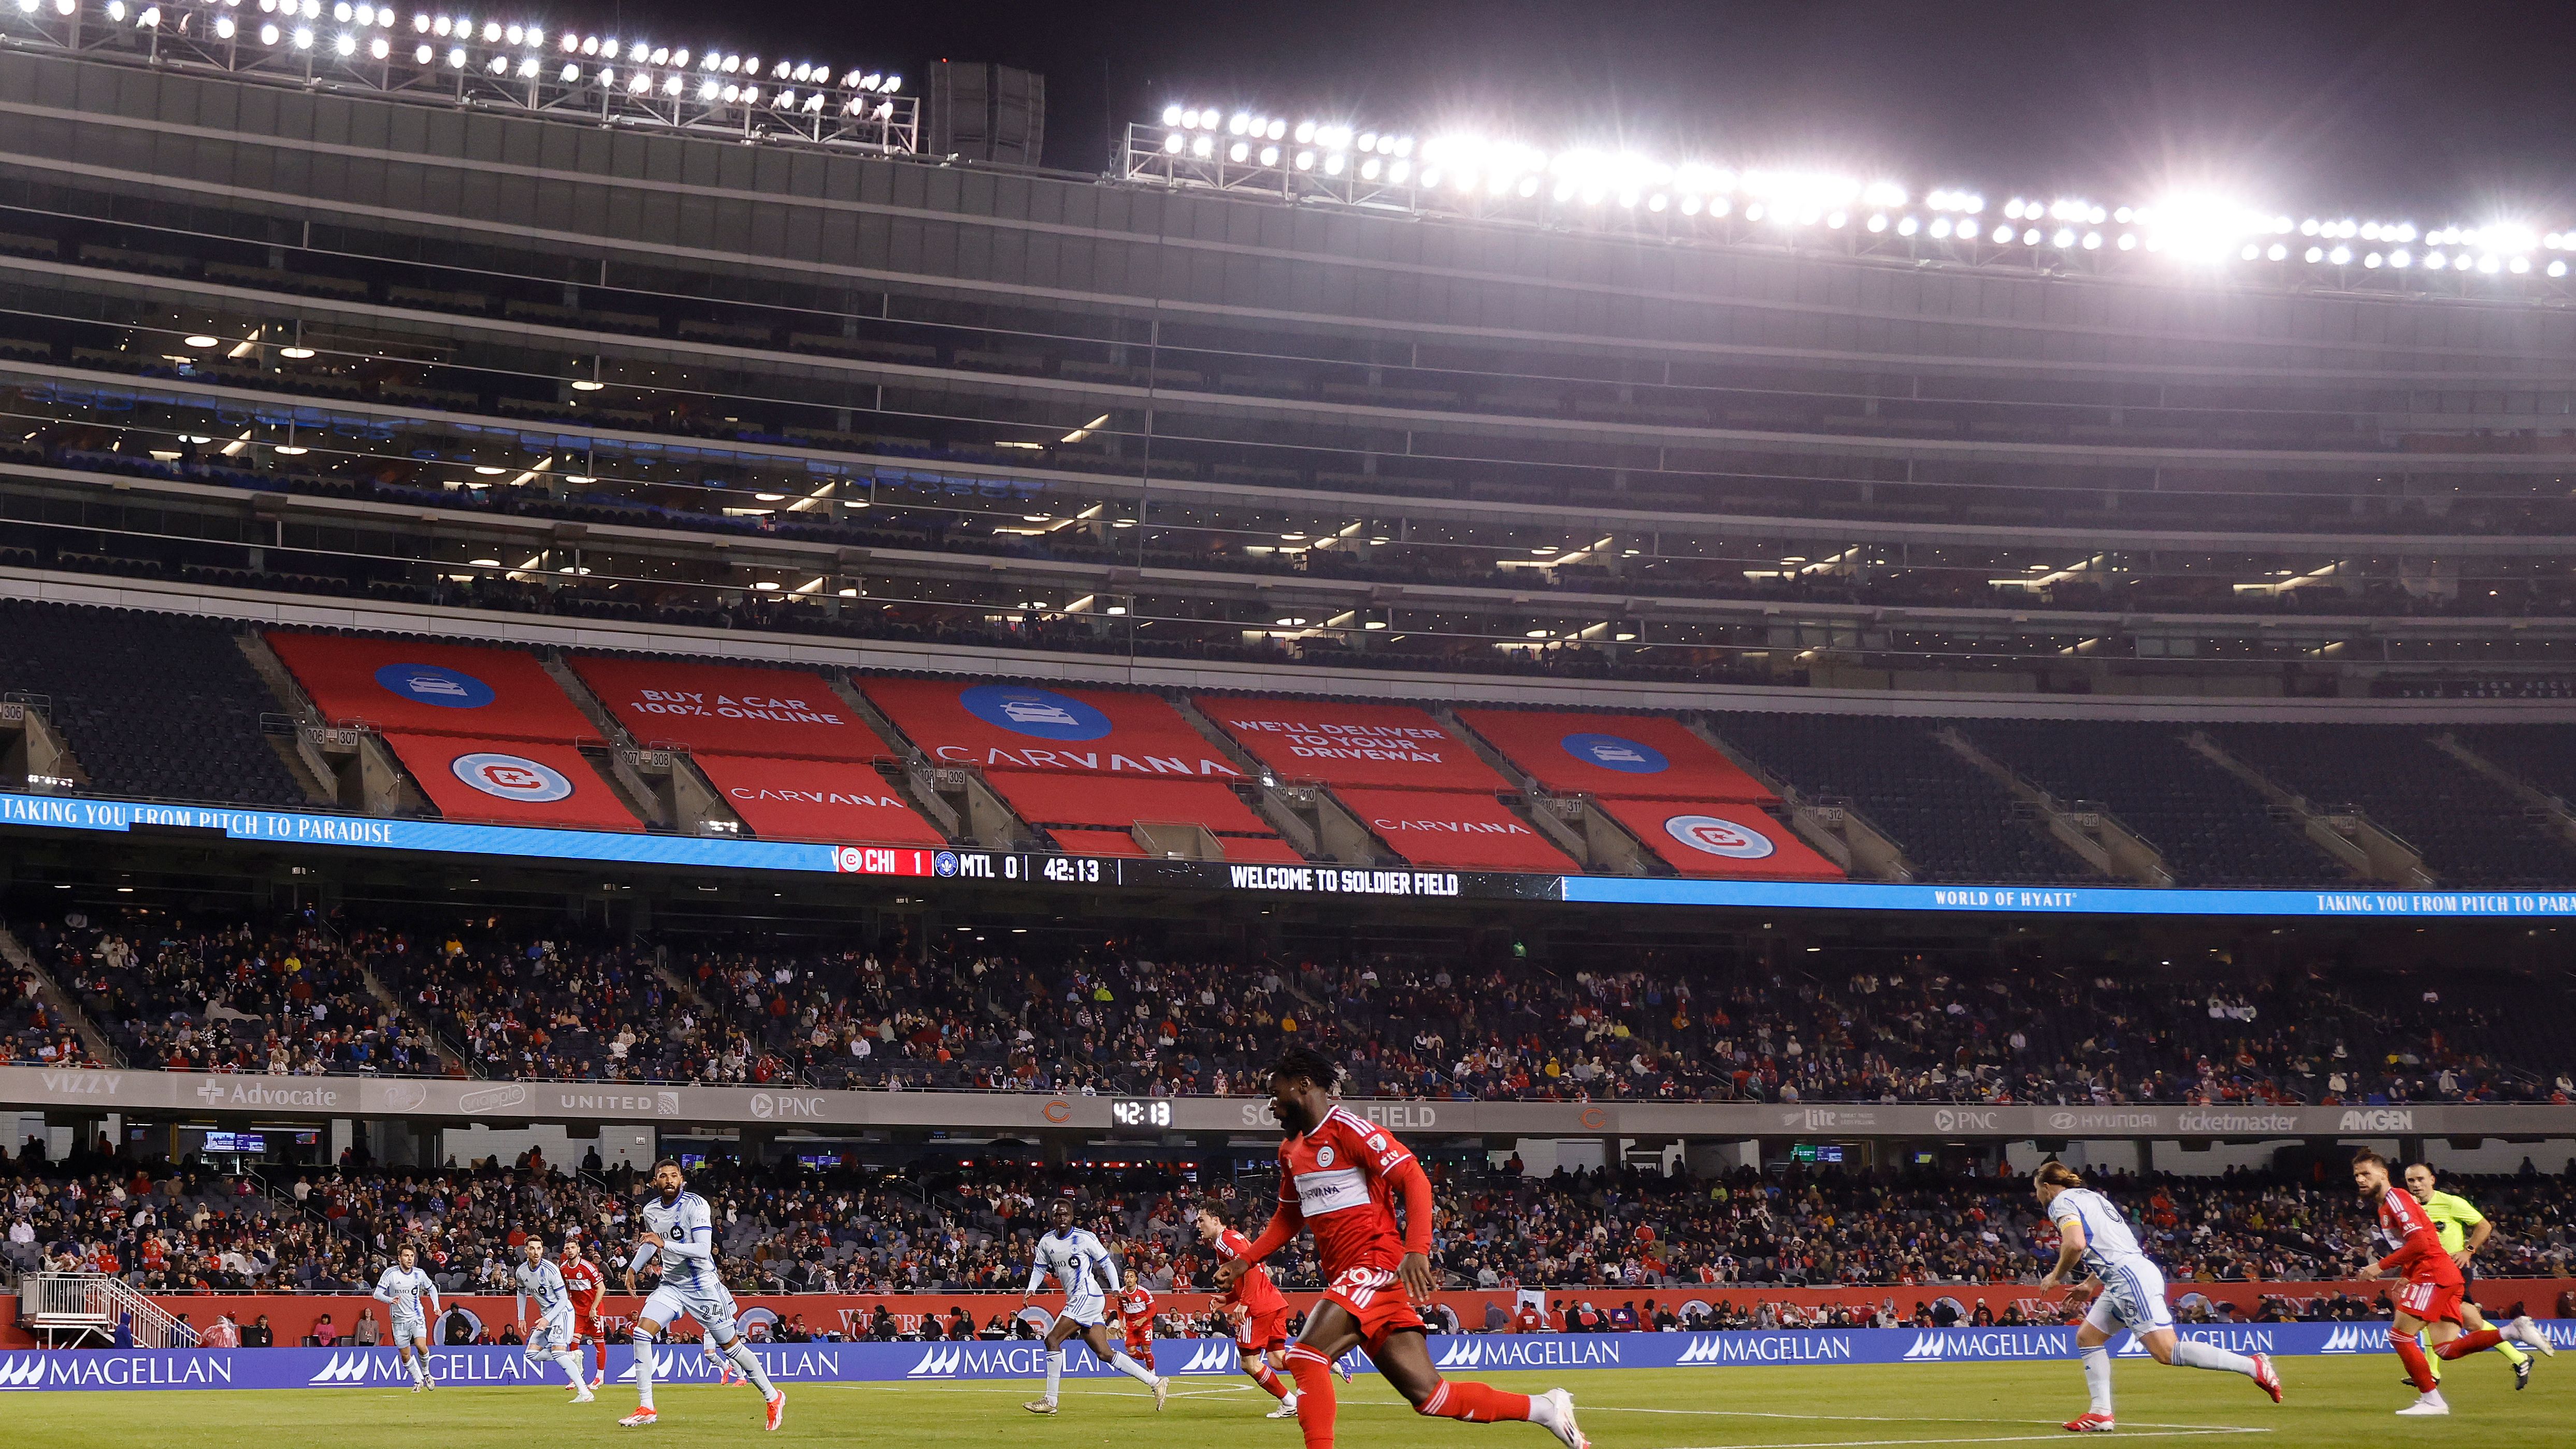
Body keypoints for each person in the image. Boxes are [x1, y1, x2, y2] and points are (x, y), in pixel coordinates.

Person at [1217, 1046, 1587, 1449]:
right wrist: (1245, 1260)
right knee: (1432, 1397)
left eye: (1275, 1092)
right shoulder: (1291, 1151)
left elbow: (1414, 1178)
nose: (1270, 1104)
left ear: (1303, 1086)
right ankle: (1545, 1408)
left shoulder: (1350, 1130)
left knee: (1305, 1356)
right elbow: (1290, 1217)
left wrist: (1417, 1249)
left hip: (1374, 1264)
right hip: (1355, 1281)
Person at [2033, 1161, 2280, 1432]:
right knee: (2088, 1337)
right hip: (2124, 1275)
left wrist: (2056, 1276)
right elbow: (2117, 1245)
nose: (2038, 1197)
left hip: (2129, 1279)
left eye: (2037, 1190)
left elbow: (2075, 1244)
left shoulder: (2060, 1202)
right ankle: (2101, 1413)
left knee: (2167, 1351)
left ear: (2046, 1187)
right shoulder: (2092, 1198)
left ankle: (2253, 1366)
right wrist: (2091, 1284)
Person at [620, 1158, 784, 1431]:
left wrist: (664, 1244)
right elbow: (651, 1244)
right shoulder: (651, 1210)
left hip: (702, 1287)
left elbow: (703, 1250)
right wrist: (633, 1268)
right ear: (656, 1182)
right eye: (663, 1176)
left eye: (674, 1175)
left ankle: (773, 1396)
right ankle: (647, 1407)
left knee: (731, 1347)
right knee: (641, 1333)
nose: (669, 1180)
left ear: (682, 1179)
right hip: (672, 1285)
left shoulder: (696, 1206)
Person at [2401, 1162, 2553, 1389]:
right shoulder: (2407, 1208)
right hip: (2426, 1273)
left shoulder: (2451, 1203)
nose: (2416, 1184)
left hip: (2452, 1271)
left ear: (2432, 1180)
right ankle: (2519, 1358)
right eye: (2411, 1181)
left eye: (2421, 1179)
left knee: (2434, 1317)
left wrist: (2468, 1250)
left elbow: (2483, 1226)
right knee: (2467, 1322)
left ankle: (2433, 1372)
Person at [2354, 1148, 2476, 1416]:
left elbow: (2421, 1242)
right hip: (2434, 1272)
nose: (2361, 1180)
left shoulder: (2396, 1198)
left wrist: (2380, 1266)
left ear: (2383, 1174)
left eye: (2366, 1174)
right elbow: (2421, 1239)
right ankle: (2512, 1332)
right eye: (2357, 1176)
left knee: (2400, 1336)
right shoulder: (2386, 1206)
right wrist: (2406, 1274)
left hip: (2433, 1272)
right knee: (2445, 1347)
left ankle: (2433, 1400)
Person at [1018, 1200, 1167, 1415]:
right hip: (1079, 1299)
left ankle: (1051, 1401)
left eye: (1065, 1215)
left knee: (1052, 1340)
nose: (1062, 1219)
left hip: (1088, 1295)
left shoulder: (1084, 1237)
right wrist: (1031, 1288)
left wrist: (1116, 1288)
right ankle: (1156, 1382)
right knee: (1104, 1353)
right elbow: (1039, 1268)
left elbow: (1106, 1262)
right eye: (1057, 1215)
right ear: (1052, 1218)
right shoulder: (1047, 1242)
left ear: (1072, 1216)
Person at [1199, 1203, 1320, 1419]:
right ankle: (1321, 1358)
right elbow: (1243, 1276)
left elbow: (1252, 1268)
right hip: (1272, 1301)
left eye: (1202, 1220)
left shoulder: (1226, 1241)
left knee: (1249, 1363)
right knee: (1276, 1360)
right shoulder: (1229, 1240)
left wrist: (1245, 1303)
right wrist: (1227, 1299)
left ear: (1216, 1220)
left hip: (1258, 1307)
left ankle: (1290, 1402)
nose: (1198, 1225)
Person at [516, 1237, 594, 1402]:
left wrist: (547, 1319)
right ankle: (572, 1356)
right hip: (547, 1317)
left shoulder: (551, 1270)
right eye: (532, 1249)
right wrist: (521, 1318)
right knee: (531, 1354)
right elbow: (521, 1292)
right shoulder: (521, 1272)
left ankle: (585, 1393)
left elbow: (563, 1300)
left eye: (539, 1249)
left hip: (562, 1313)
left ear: (542, 1250)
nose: (536, 1252)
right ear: (526, 1250)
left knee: (558, 1354)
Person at [371, 1244, 440, 1392]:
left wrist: (436, 1306)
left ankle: (427, 1373)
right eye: (406, 1256)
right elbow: (377, 1294)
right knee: (405, 1355)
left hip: (416, 1316)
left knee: (421, 1346)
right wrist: (390, 1300)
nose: (410, 1259)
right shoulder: (390, 1273)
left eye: (412, 1256)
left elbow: (432, 1288)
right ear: (399, 1258)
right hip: (398, 1320)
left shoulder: (419, 1273)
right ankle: (417, 1380)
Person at [560, 1235, 611, 1389]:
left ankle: (599, 1378)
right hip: (578, 1312)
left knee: (599, 1343)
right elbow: (567, 1290)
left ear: (579, 1250)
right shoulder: (563, 1269)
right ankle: (576, 1377)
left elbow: (601, 1288)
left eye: (573, 1248)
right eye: (567, 1248)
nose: (570, 1251)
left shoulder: (588, 1267)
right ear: (564, 1250)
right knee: (574, 1344)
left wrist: (594, 1308)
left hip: (594, 1311)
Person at [1117, 1265, 1158, 1373]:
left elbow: (1153, 1310)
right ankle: (1146, 1360)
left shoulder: (1144, 1292)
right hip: (1131, 1325)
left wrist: (1142, 1320)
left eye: (1131, 1277)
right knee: (1131, 1351)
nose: (1129, 1279)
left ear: (1136, 1279)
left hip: (1145, 1324)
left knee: (1146, 1349)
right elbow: (1120, 1308)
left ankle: (1152, 1372)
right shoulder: (1121, 1293)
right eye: (1127, 1277)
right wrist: (1121, 1322)